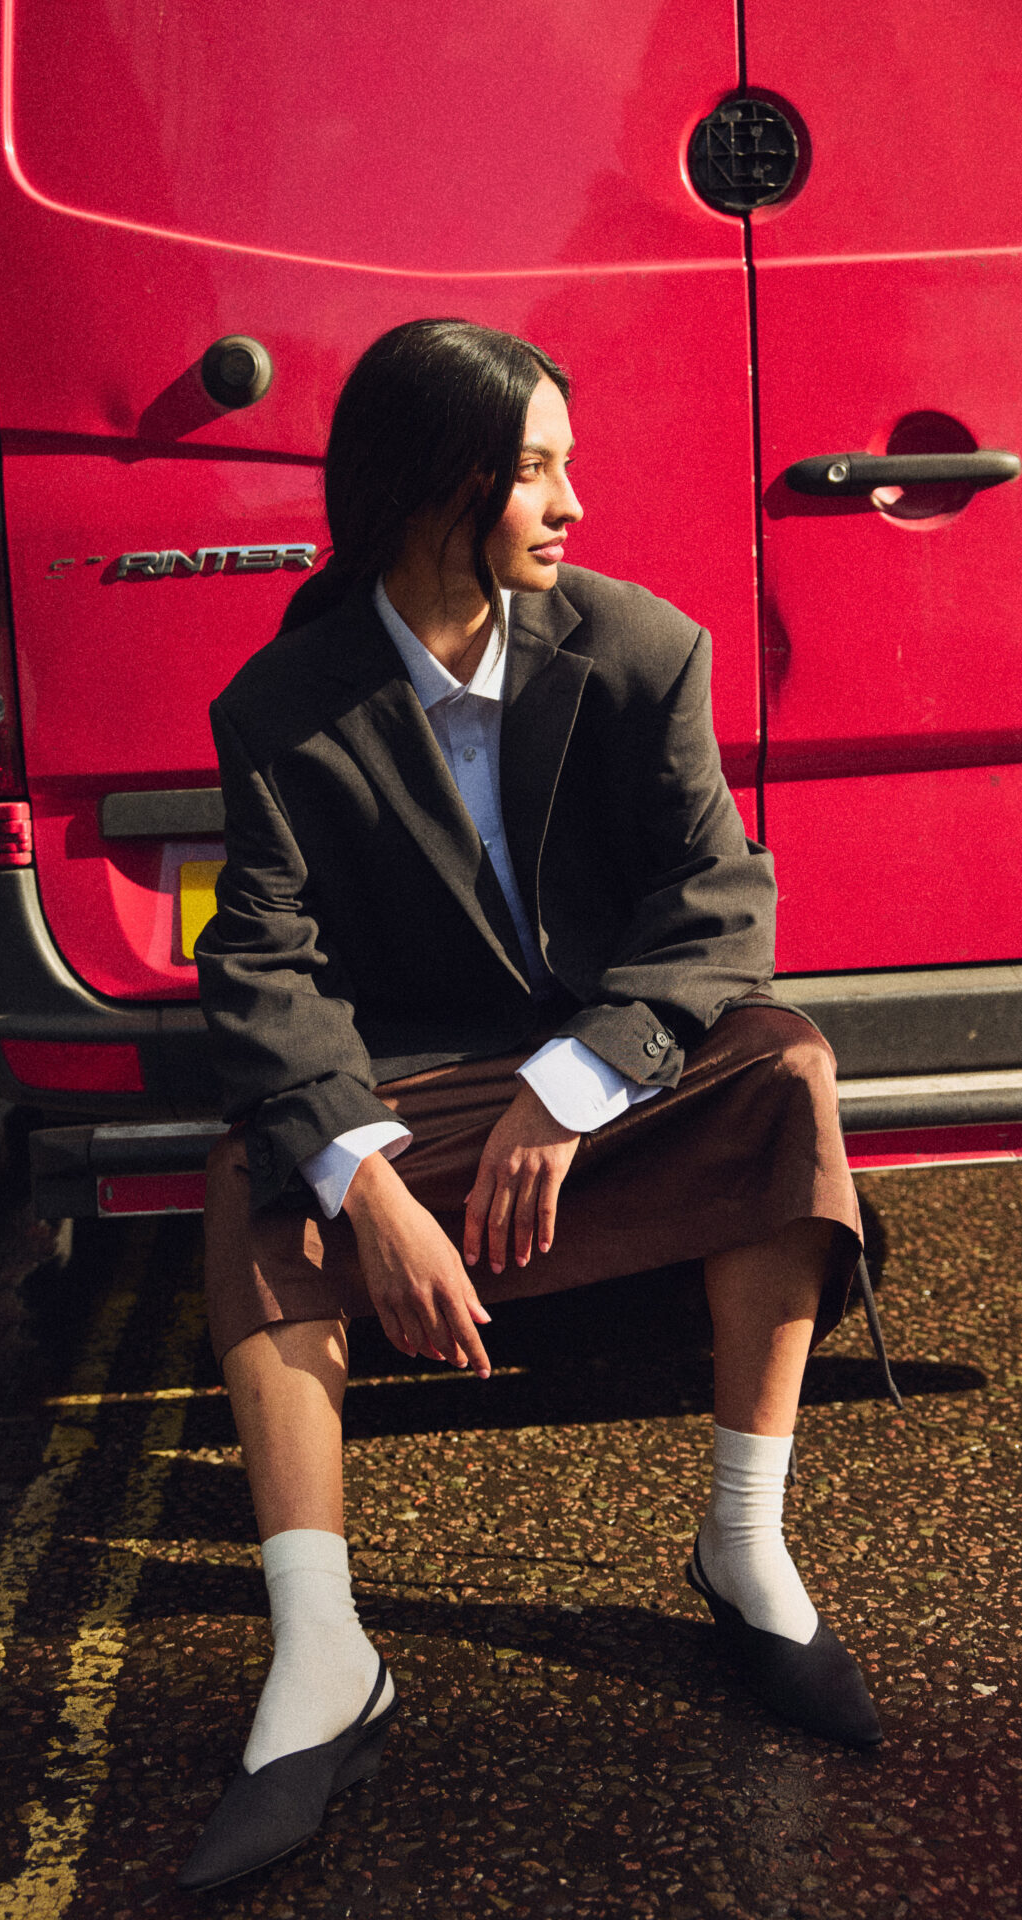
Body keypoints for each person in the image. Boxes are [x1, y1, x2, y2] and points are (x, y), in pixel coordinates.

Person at [178, 319, 884, 1893]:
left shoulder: (640, 648)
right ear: (427, 486)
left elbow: (720, 903)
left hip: (597, 1073)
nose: (570, 504)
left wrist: (577, 1083)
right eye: (532, 471)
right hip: (418, 1082)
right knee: (255, 1170)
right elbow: (260, 963)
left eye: (566, 465)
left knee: (785, 1069)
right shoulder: (281, 702)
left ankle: (740, 1545)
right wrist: (368, 1186)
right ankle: (322, 1655)